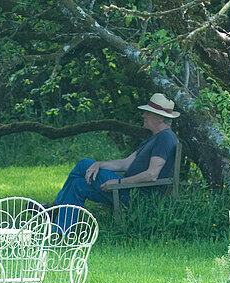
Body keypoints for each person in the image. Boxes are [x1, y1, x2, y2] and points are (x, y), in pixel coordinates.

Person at [49, 93, 179, 230]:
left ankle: (54, 207)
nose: (143, 115)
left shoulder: (165, 138)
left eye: (147, 112)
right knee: (78, 184)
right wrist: (99, 164)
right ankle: (61, 231)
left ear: (158, 117)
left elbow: (152, 175)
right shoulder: (154, 138)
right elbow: (126, 163)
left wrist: (119, 182)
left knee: (83, 164)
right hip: (129, 189)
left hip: (137, 194)